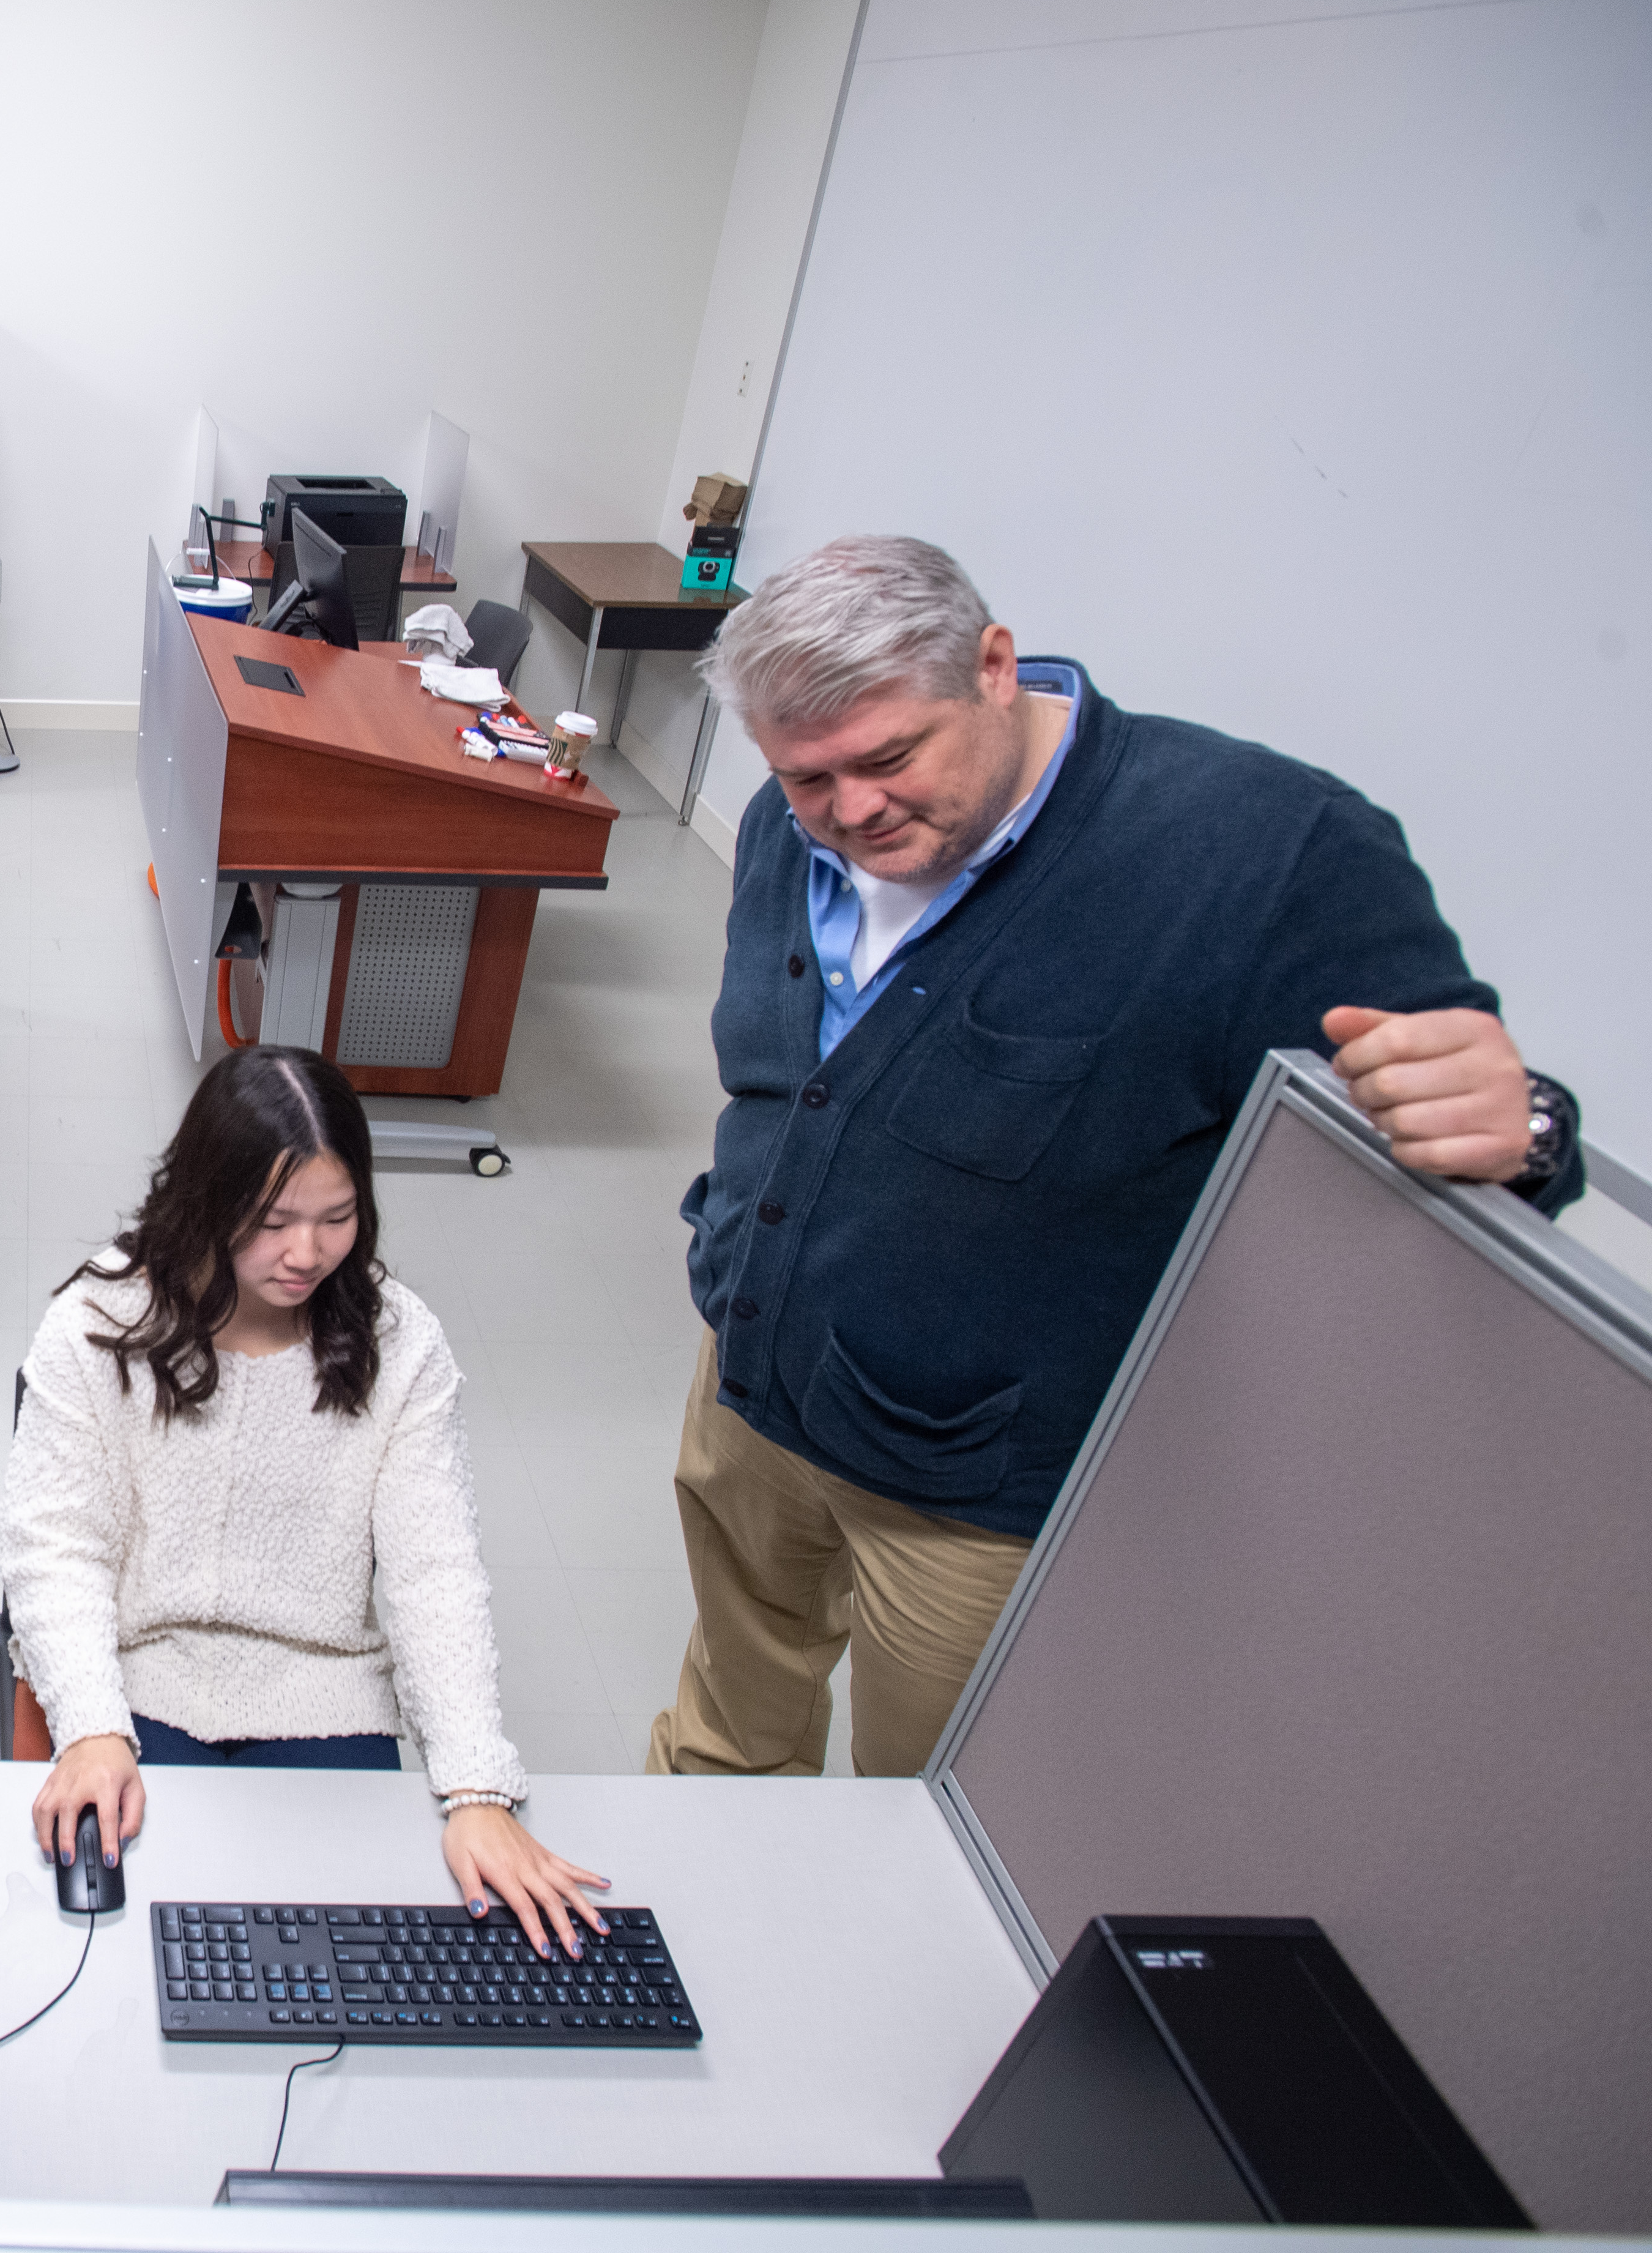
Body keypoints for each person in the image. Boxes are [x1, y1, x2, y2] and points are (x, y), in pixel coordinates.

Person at [655, 534, 1584, 1781]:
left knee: (930, 1820)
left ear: (995, 667)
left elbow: (1465, 1115)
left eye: (888, 759)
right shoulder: (792, 823)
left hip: (969, 1490)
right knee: (724, 1724)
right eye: (806, 777)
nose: (851, 812)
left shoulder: (1263, 853)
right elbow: (792, 1088)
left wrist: (1523, 1127)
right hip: (754, 1386)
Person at [0, 1045, 606, 1949]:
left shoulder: (403, 1346)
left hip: (325, 1698)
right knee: (121, 1955)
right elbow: (56, 1547)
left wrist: (477, 1788)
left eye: (338, 1218)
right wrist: (90, 1726)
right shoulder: (98, 1323)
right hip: (138, 1687)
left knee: (360, 1955)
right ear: (208, 1197)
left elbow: (435, 1573)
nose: (308, 1254)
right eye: (274, 1220)